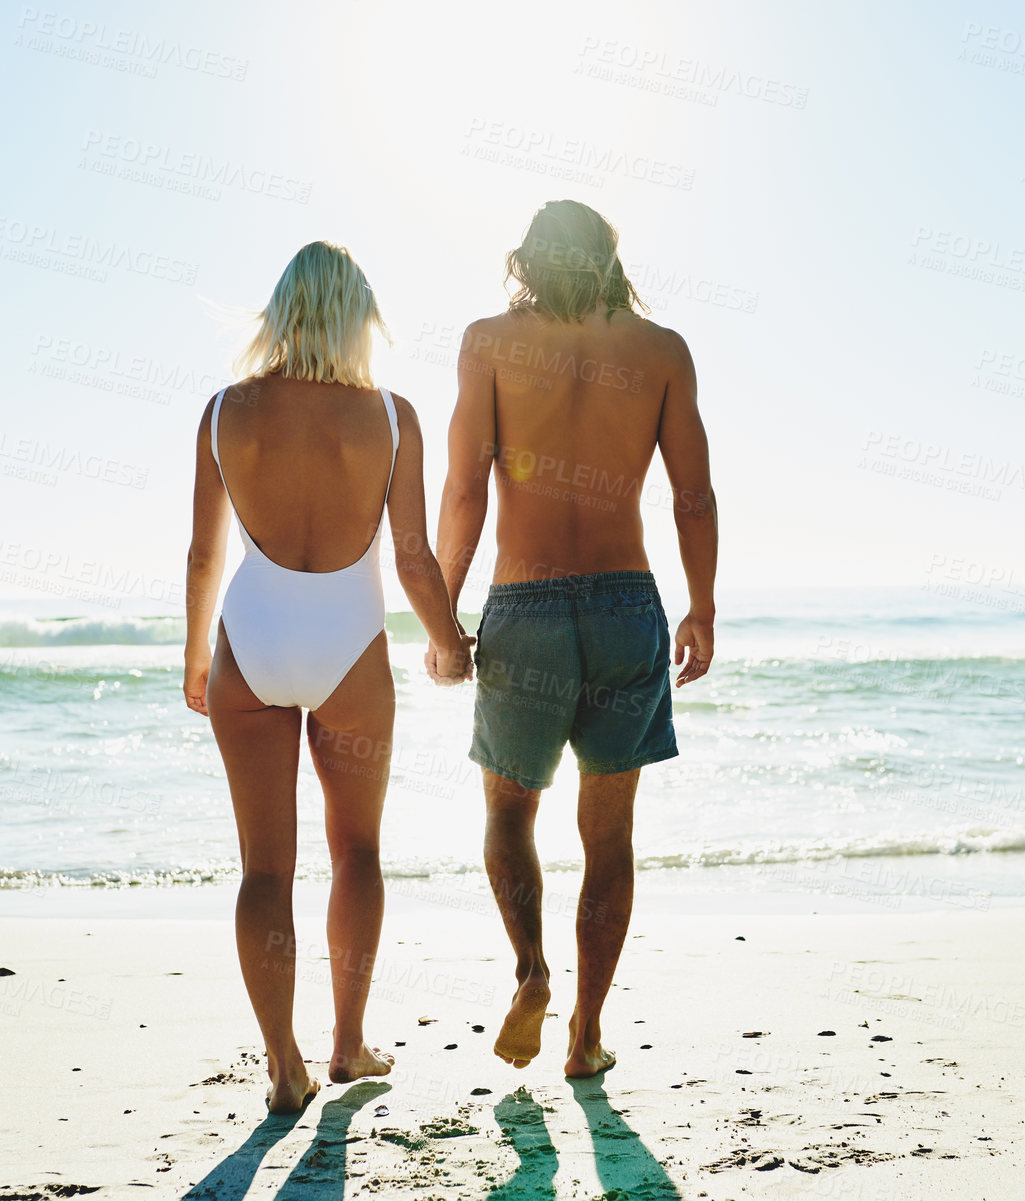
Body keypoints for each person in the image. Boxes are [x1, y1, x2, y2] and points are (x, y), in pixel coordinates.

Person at [183, 241, 474, 1113]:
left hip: (252, 633)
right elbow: (416, 558)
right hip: (349, 643)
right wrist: (449, 642)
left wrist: (195, 653)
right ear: (357, 316)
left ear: (284, 310)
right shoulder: (390, 417)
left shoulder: (225, 411)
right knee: (357, 853)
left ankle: (283, 1064)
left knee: (263, 871)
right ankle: (348, 1043)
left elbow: (202, 551)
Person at [429, 200, 718, 1078]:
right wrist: (701, 606)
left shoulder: (488, 343)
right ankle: (586, 1032)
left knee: (508, 811)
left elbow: (465, 492)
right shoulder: (661, 349)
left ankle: (530, 972)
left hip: (525, 603)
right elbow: (692, 495)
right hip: (627, 605)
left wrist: (443, 621)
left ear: (526, 259)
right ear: (609, 259)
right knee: (609, 834)